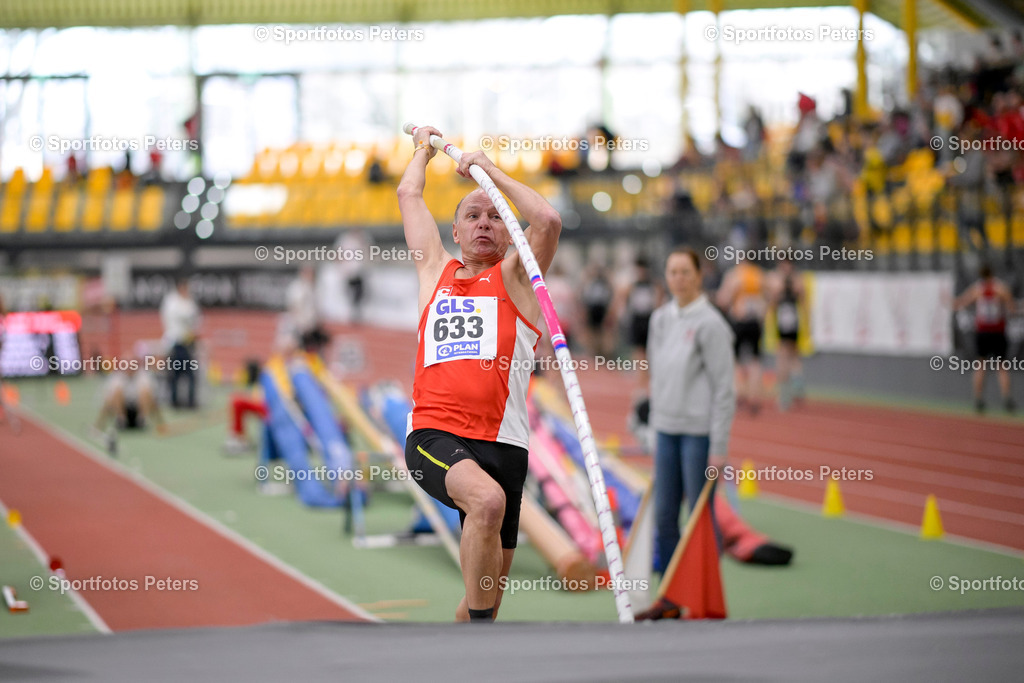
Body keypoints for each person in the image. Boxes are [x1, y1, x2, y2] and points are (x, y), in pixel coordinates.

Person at [397, 125, 561, 623]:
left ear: (509, 234)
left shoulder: (518, 280)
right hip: (435, 433)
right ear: (456, 230)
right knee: (486, 503)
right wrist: (426, 148)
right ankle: (485, 653)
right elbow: (409, 192)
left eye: (494, 216)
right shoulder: (434, 274)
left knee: (480, 603)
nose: (484, 223)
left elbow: (548, 220)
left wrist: (490, 173)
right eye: (473, 215)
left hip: (507, 447)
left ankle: (460, 662)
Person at [646, 247, 735, 576]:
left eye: (685, 272)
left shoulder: (712, 325)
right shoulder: (660, 319)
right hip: (666, 431)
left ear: (699, 275)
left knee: (700, 517)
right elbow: (656, 375)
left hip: (698, 437)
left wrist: (719, 447)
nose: (678, 279)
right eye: (672, 272)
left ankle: (704, 591)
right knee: (665, 515)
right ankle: (670, 592)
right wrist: (653, 425)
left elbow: (725, 389)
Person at [954, 265, 1016, 413]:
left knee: (981, 364)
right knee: (1001, 367)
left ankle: (978, 398)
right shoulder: (1000, 288)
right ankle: (1007, 398)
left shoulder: (977, 289)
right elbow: (1011, 309)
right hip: (998, 332)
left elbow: (961, 302)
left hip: (983, 332)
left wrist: (953, 303)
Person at [717, 258, 767, 414]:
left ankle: (740, 392)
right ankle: (755, 396)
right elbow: (768, 298)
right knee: (755, 360)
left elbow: (723, 299)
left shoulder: (734, 275)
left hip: (739, 320)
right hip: (755, 322)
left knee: (735, 359)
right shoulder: (759, 275)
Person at [768, 258, 806, 410]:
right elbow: (802, 298)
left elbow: (773, 300)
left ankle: (785, 394)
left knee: (783, 354)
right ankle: (796, 382)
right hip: (792, 317)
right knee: (793, 353)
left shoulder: (780, 279)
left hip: (785, 317)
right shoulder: (797, 278)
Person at [160, 277, 201, 408]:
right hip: (175, 343)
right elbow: (186, 315)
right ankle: (174, 401)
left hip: (187, 343)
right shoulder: (172, 301)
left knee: (191, 374)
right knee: (175, 374)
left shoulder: (188, 301)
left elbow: (196, 319)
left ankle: (190, 401)